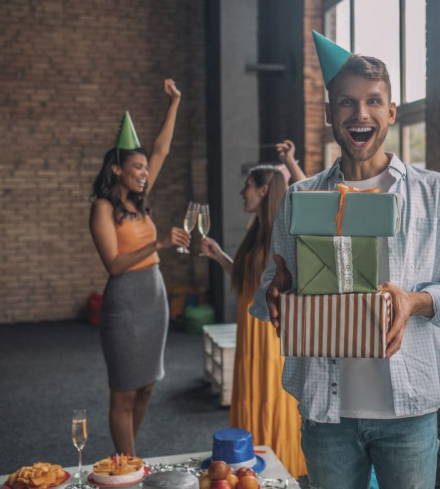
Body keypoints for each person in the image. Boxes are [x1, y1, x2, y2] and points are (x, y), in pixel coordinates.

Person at [250, 33, 440, 489]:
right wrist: (275, 293)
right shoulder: (299, 197)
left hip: (409, 408)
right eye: (347, 103)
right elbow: (270, 290)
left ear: (391, 112)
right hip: (326, 410)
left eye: (374, 101)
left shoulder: (433, 192)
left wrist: (414, 301)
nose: (360, 114)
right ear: (330, 113)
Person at [90, 79, 190, 455]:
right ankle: (128, 463)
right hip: (126, 302)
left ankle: (125, 456)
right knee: (125, 391)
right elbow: (114, 264)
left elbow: (162, 148)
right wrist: (158, 243)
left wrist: (175, 102)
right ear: (117, 170)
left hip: (154, 297)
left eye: (146, 168)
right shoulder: (102, 207)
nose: (145, 173)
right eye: (137, 167)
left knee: (147, 386)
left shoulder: (140, 200)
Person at [200, 164, 308, 478]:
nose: (241, 192)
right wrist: (219, 255)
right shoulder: (256, 230)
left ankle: (278, 467)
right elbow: (249, 281)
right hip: (249, 330)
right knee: (250, 393)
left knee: (271, 397)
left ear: (263, 191)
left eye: (247, 185)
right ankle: (250, 465)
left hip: (270, 334)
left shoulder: (282, 231)